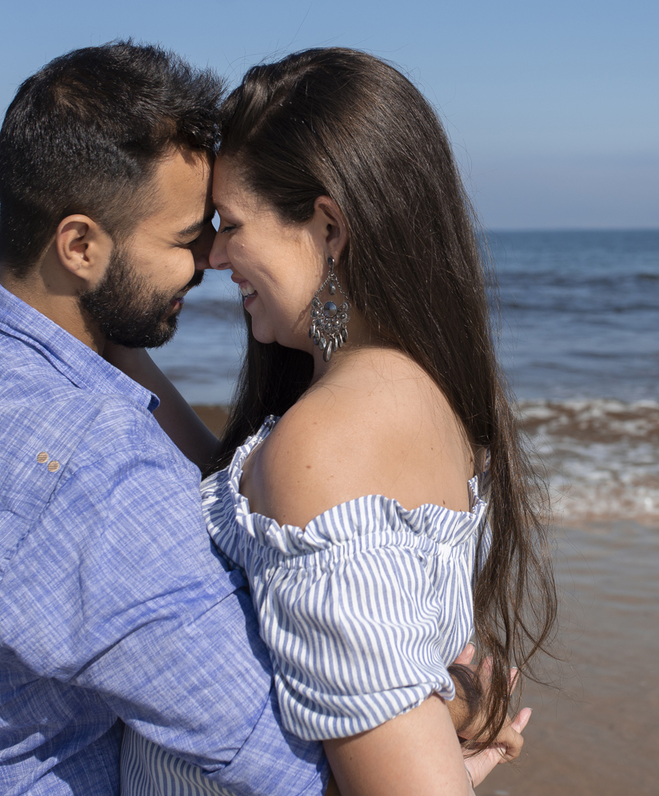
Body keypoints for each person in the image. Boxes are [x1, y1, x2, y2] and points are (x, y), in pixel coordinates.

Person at [0, 42, 329, 795]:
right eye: (187, 239)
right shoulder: (100, 475)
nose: (211, 260)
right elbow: (273, 752)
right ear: (80, 245)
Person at [121, 48, 557, 796]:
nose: (215, 256)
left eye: (232, 224)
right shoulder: (417, 390)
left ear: (327, 228)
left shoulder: (330, 442)